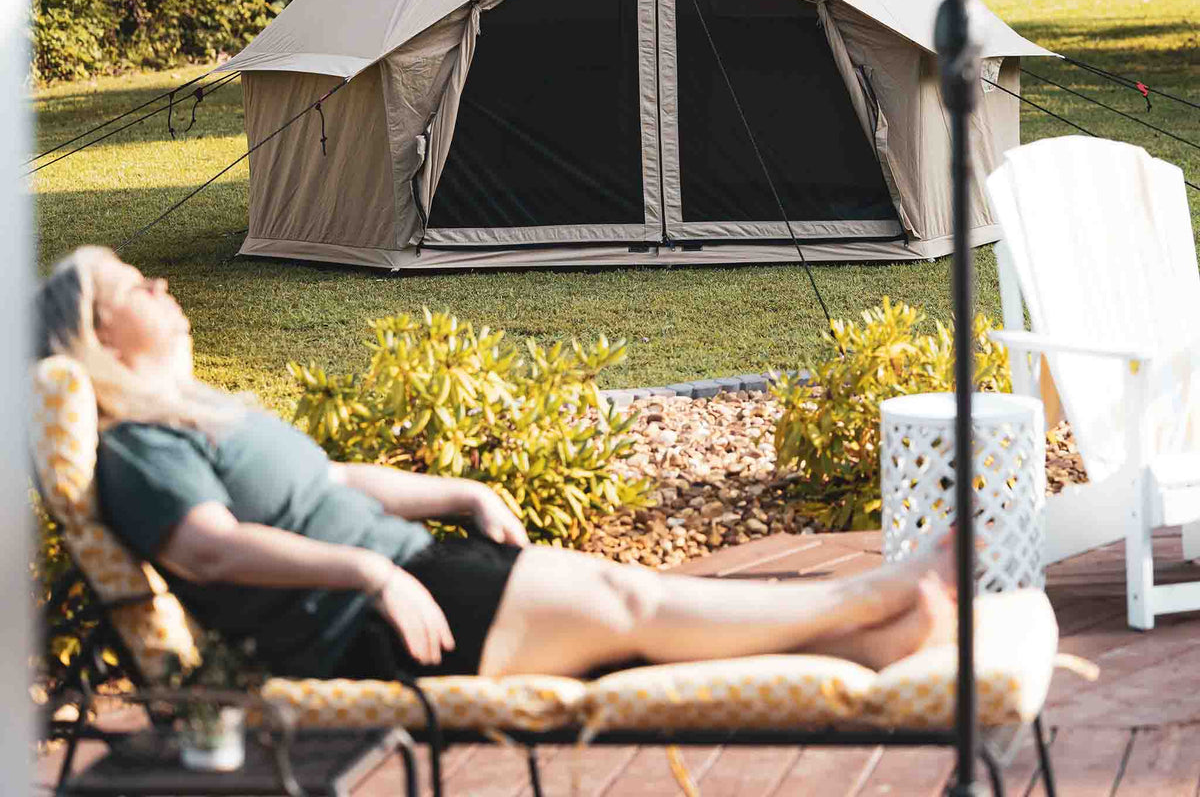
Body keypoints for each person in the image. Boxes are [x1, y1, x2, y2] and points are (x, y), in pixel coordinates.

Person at [34, 245, 957, 682]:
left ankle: (867, 646)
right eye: (133, 287)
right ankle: (870, 595)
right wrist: (368, 572)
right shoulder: (139, 449)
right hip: (368, 627)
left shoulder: (205, 421)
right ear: (99, 336)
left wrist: (464, 491)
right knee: (632, 610)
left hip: (416, 575)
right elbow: (210, 551)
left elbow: (336, 481)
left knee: (631, 628)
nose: (161, 287)